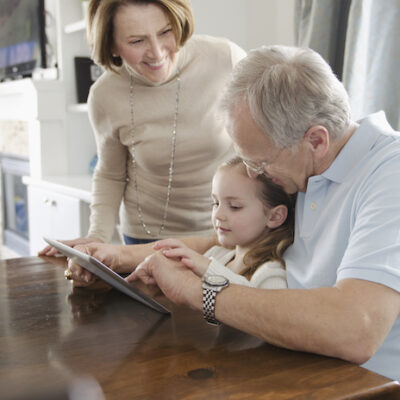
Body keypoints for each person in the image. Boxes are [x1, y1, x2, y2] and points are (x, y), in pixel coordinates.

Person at [65, 45, 400, 381]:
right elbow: (231, 240)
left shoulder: (389, 175)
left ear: (316, 140)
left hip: (364, 385)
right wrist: (114, 257)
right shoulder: (308, 166)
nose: (253, 174)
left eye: (261, 162)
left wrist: (199, 292)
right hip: (294, 363)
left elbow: (356, 329)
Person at [40, 0, 246, 256]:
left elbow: (263, 146)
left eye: (165, 32)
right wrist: (96, 238)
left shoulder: (225, 59)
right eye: (137, 41)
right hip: (145, 239)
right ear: (112, 45)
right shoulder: (105, 95)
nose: (157, 52)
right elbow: (110, 174)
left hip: (224, 234)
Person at [135, 157, 295, 289]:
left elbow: (264, 311)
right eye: (215, 203)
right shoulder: (216, 255)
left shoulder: (270, 274)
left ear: (275, 217)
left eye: (234, 207)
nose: (218, 214)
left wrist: (207, 268)